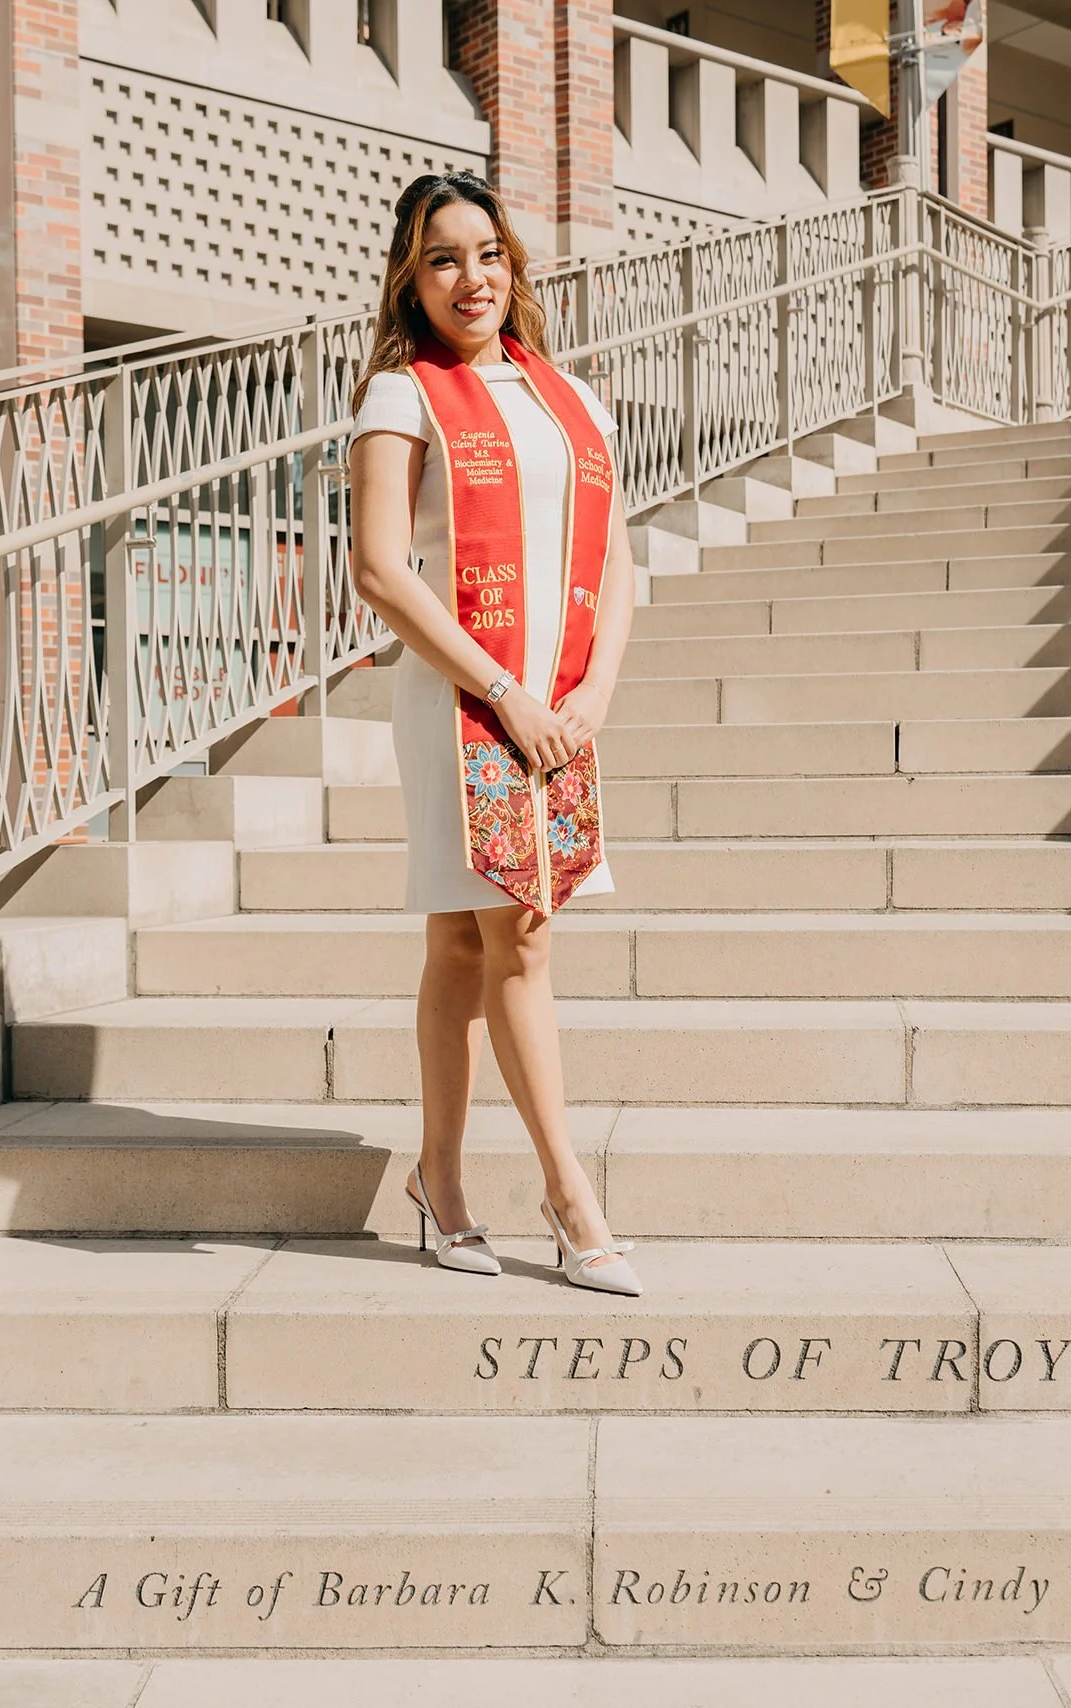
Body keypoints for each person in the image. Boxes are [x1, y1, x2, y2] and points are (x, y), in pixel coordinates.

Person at [345, 170, 641, 1297]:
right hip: (460, 699)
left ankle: (441, 1180)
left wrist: (591, 693)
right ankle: (570, 1195)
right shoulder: (399, 396)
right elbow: (379, 566)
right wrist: (502, 692)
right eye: (443, 259)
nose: (472, 278)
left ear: (512, 264)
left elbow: (615, 557)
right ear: (410, 281)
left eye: (487, 253)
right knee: (518, 932)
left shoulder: (573, 401)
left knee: (464, 946)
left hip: (559, 702)